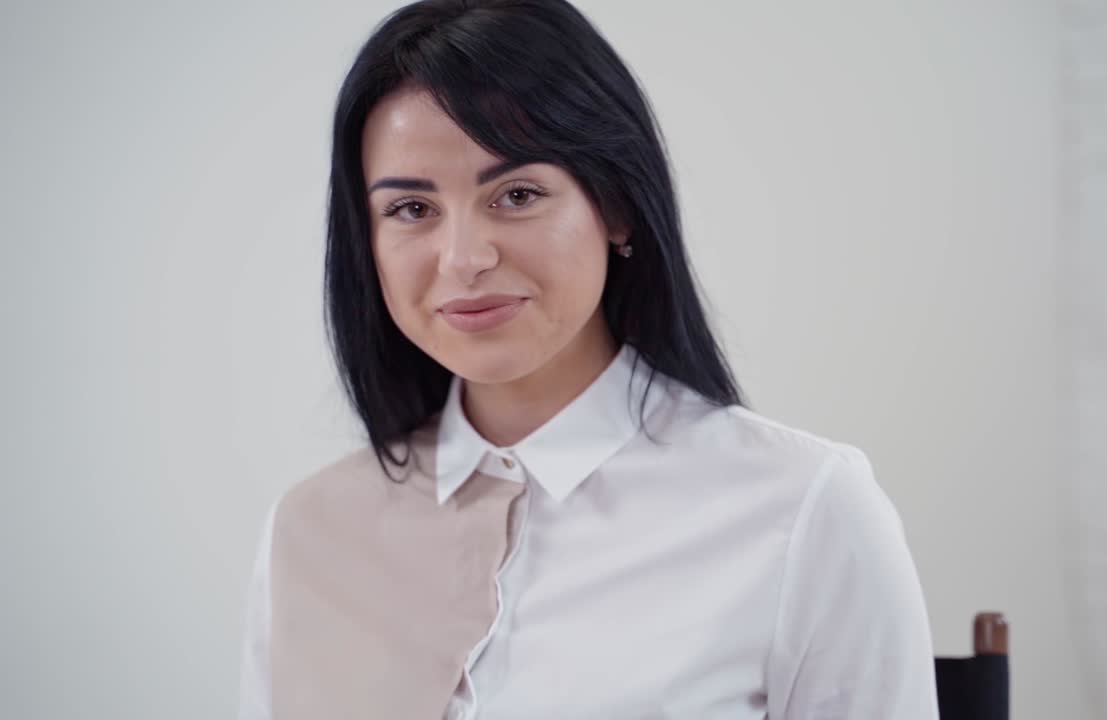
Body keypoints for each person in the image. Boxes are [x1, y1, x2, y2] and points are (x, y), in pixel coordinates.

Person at [237, 1, 937, 718]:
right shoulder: (311, 530)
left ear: (616, 206)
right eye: (412, 210)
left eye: (516, 195)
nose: (464, 259)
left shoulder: (804, 510)